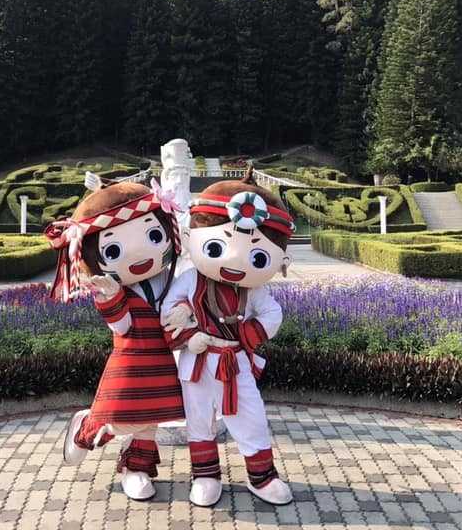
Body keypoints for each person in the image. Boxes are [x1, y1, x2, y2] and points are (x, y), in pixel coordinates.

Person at [161, 169, 295, 507]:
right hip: (197, 362)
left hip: (235, 362)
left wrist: (244, 335)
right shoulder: (192, 280)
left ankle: (262, 476)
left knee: (251, 415)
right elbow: (169, 312)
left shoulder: (255, 290)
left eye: (256, 255)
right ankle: (205, 475)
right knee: (199, 417)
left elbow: (273, 314)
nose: (235, 261)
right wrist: (190, 336)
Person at [46, 177, 186, 500]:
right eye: (113, 249)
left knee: (150, 421)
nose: (140, 254)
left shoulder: (167, 278)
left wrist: (186, 312)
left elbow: (185, 299)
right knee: (120, 418)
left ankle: (135, 469)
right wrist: (109, 297)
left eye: (153, 235)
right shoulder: (118, 289)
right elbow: (122, 327)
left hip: (161, 360)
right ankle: (86, 430)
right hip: (129, 360)